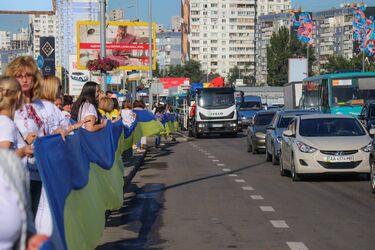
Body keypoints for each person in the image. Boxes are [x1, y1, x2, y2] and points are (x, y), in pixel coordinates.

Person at [33, 76, 82, 236]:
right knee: (46, 209)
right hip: (48, 164)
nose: (61, 91)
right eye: (59, 87)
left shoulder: (48, 108)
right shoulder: (44, 108)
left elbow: (65, 129)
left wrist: (74, 126)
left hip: (46, 164)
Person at [5, 56, 43, 217]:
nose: (24, 79)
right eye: (19, 76)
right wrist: (24, 145)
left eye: (28, 75)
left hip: (41, 172)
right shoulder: (8, 107)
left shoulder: (39, 105)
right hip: (18, 176)